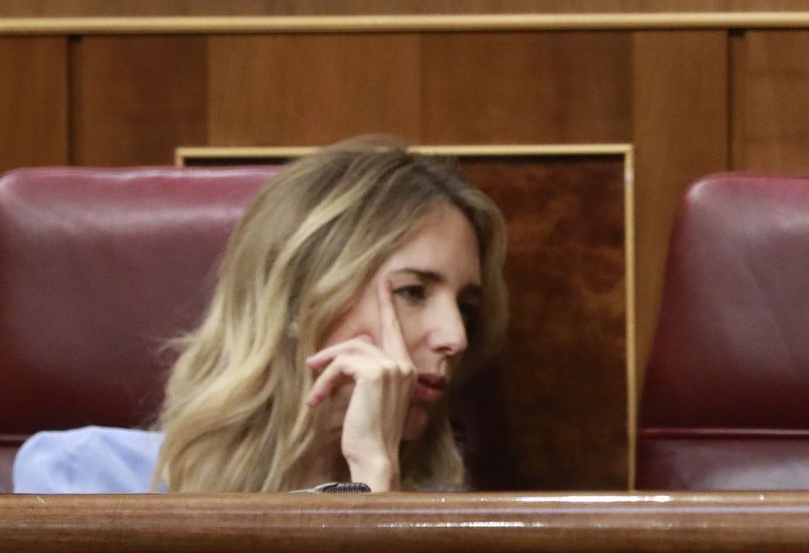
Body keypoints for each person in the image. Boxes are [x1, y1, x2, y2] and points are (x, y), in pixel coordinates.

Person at [15, 138, 508, 493]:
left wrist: (374, 477)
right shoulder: (86, 476)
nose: (456, 336)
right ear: (295, 298)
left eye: (466, 307)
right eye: (413, 291)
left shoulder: (430, 512)